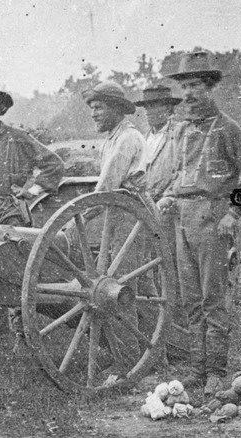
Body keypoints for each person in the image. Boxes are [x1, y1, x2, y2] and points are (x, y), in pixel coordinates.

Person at [157, 52, 241, 396]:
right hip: (183, 220)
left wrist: (232, 215)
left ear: (210, 89)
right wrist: (171, 197)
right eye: (185, 87)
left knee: (213, 300)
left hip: (212, 221)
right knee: (190, 299)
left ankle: (217, 371)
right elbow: (180, 175)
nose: (188, 94)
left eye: (195, 87)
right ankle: (196, 370)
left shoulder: (227, 129)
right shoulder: (183, 131)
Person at [0, 80, 65, 341]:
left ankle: (22, 337)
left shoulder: (16, 138)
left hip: (9, 217)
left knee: (13, 278)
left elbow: (54, 165)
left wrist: (29, 192)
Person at [83, 81, 150, 385]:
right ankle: (149, 355)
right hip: (120, 216)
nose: (94, 112)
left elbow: (107, 186)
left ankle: (128, 366)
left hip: (131, 218)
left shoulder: (127, 138)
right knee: (136, 287)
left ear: (116, 108)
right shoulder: (113, 137)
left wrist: (78, 219)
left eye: (99, 106)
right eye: (92, 107)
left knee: (119, 289)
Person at [134, 85, 188, 344]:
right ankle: (156, 325)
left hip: (169, 208)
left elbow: (184, 171)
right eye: (146, 108)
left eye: (155, 107)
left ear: (168, 108)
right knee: (149, 267)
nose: (149, 112)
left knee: (170, 268)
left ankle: (178, 329)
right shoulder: (146, 137)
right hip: (146, 207)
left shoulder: (178, 134)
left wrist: (171, 195)